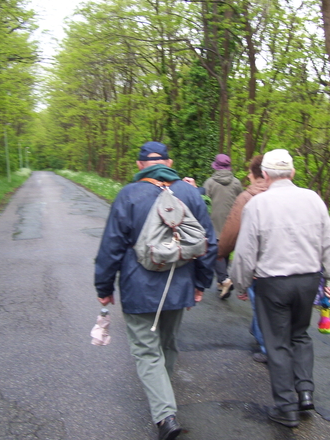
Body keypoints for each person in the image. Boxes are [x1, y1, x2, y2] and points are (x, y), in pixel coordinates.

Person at [94, 141, 217, 440]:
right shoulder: (190, 193)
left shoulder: (128, 195)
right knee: (167, 344)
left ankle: (165, 417)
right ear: (170, 162)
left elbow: (112, 246)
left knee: (146, 351)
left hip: (139, 288)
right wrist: (200, 284)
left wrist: (104, 287)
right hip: (179, 285)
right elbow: (208, 242)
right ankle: (164, 398)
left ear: (139, 165)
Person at [230, 148, 330, 428]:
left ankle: (286, 408)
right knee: (300, 335)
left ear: (266, 175)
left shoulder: (257, 205)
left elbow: (246, 252)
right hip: (308, 281)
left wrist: (240, 282)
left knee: (277, 343)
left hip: (273, 283)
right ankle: (305, 391)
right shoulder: (313, 199)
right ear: (292, 173)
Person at [217, 155, 269, 363]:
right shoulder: (296, 195)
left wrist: (219, 253)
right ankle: (262, 335)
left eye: (249, 172)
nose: (247, 176)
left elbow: (231, 235)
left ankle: (266, 345)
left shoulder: (248, 197)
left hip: (258, 265)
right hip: (293, 266)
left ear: (258, 175)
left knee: (261, 305)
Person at [203, 154, 243, 298]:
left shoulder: (209, 183)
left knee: (214, 250)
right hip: (232, 221)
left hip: (213, 221)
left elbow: (204, 203)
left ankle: (225, 280)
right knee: (225, 249)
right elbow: (241, 200)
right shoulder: (237, 183)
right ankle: (221, 283)